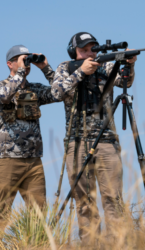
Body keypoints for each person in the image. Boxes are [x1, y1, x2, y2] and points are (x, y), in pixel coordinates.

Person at [51, 32, 137, 244]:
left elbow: (125, 82)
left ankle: (117, 244)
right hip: (77, 141)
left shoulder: (105, 67)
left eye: (93, 49)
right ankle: (91, 246)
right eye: (84, 50)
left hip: (106, 141)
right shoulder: (65, 67)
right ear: (74, 52)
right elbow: (56, 92)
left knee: (113, 198)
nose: (90, 53)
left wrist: (129, 64)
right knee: (84, 202)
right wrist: (80, 73)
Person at [0, 45, 57, 237]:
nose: (25, 62)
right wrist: (20, 72)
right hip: (6, 160)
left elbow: (60, 93)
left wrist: (45, 68)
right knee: (0, 214)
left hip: (33, 161)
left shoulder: (34, 89)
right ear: (9, 64)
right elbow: (4, 96)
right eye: (20, 58)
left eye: (27, 59)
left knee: (39, 216)